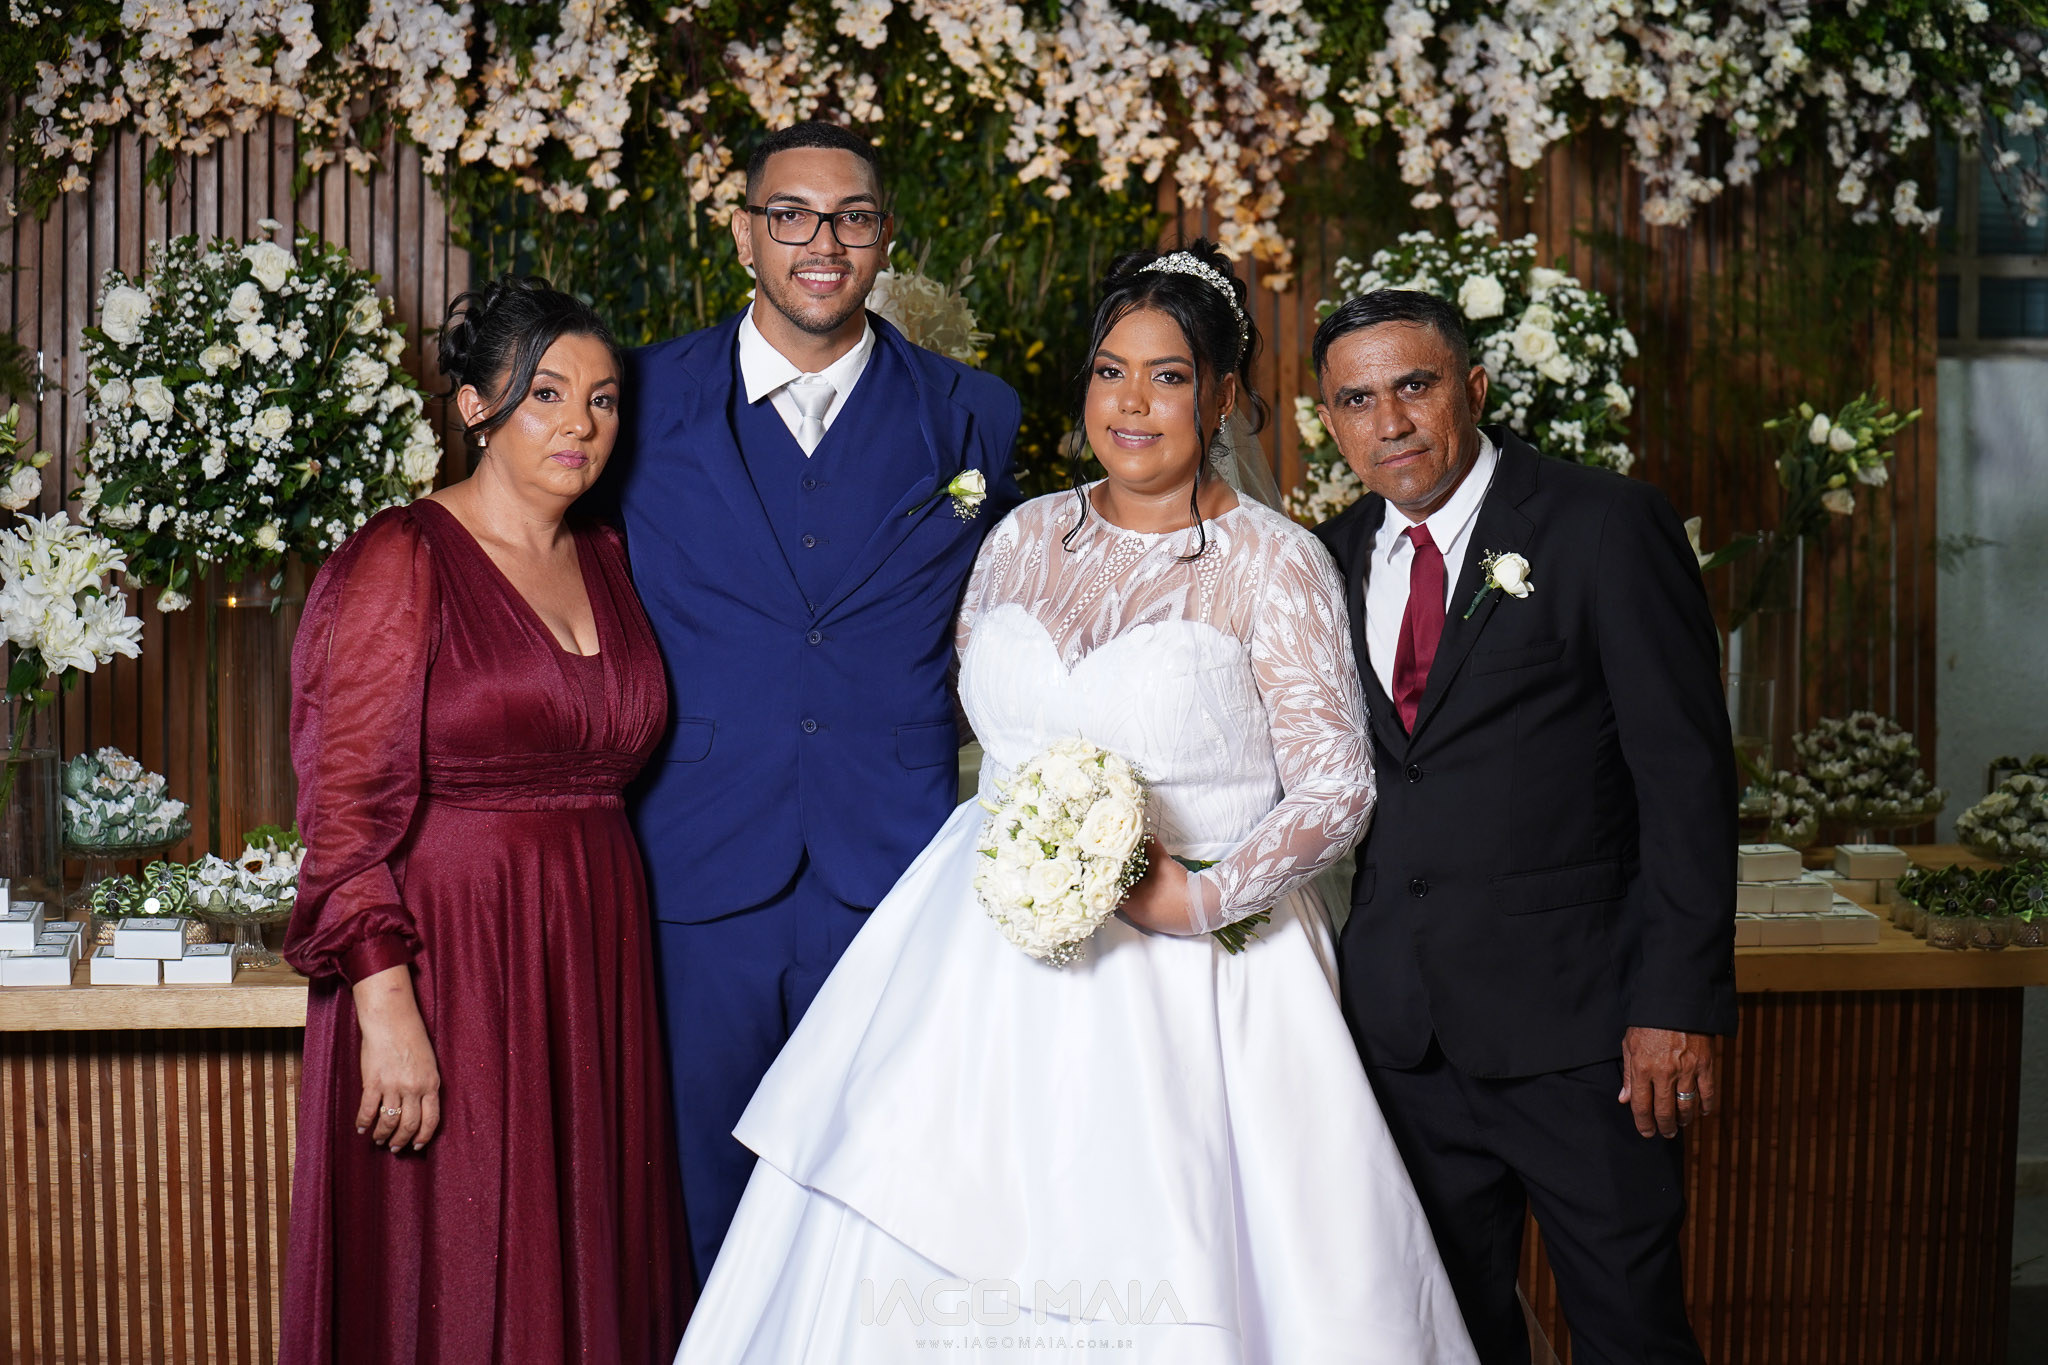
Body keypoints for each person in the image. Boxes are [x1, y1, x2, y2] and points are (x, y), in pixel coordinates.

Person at [672, 241, 1479, 1364]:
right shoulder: (1016, 536)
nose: (1131, 403)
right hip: (976, 963)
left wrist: (1198, 899)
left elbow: (1338, 785)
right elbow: (970, 712)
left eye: (1167, 376)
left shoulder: (1273, 561)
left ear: (1223, 397)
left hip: (1196, 981)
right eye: (1110, 372)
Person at [604, 120, 1023, 1283]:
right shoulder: (635, 395)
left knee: (880, 1204)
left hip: (890, 864)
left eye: (850, 217)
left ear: (884, 238)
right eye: (789, 214)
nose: (821, 242)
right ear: (743, 233)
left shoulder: (974, 414)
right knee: (694, 1201)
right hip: (695, 865)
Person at [1309, 289, 1736, 1365]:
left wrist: (1674, 1004)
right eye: (1357, 400)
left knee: (1630, 1334)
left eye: (1415, 386)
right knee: (1441, 1336)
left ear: (1473, 387)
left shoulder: (1604, 524)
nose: (1390, 421)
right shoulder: (1325, 556)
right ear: (1330, 421)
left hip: (1585, 1034)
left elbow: (1685, 781)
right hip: (1401, 1039)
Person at [282, 278, 690, 1364]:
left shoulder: (607, 557)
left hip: (590, 954)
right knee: (458, 1265)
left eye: (602, 399)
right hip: (450, 961)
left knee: (584, 1260)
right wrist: (386, 1006)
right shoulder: (402, 555)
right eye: (545, 393)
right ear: (475, 407)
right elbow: (342, 809)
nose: (579, 424)